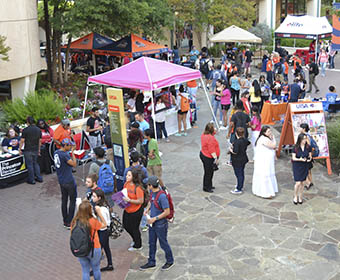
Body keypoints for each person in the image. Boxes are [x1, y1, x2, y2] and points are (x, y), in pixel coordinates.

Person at [140, 176, 174, 271]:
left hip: (160, 224)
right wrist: (147, 209)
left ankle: (170, 261)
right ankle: (151, 261)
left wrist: (155, 218)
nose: (147, 186)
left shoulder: (162, 196)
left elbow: (166, 212)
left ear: (151, 186)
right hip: (153, 223)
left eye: (148, 185)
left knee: (163, 243)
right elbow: (152, 201)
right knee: (151, 243)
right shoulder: (152, 192)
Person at [71, 200, 107, 280]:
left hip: (81, 248)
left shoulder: (74, 222)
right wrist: (99, 214)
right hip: (94, 248)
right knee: (96, 268)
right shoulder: (92, 221)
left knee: (85, 270)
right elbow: (105, 225)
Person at [54, 138, 77, 228]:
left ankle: (65, 220)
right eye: (69, 145)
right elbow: (74, 164)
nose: (71, 147)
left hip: (61, 180)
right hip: (69, 181)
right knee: (72, 200)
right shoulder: (65, 155)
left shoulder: (56, 153)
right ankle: (69, 221)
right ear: (65, 146)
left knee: (64, 200)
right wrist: (73, 153)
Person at [252, 126, 278, 198]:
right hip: (264, 161)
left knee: (268, 174)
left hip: (267, 160)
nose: (270, 133)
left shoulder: (265, 138)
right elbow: (273, 145)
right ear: (264, 132)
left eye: (270, 131)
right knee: (265, 175)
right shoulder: (263, 139)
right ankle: (265, 192)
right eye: (268, 132)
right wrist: (273, 139)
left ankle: (270, 190)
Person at [122, 169, 145, 251]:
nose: (126, 176)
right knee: (126, 225)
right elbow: (124, 193)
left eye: (129, 175)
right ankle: (135, 239)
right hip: (127, 209)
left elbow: (140, 201)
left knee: (135, 228)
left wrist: (130, 200)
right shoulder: (126, 184)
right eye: (127, 175)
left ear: (133, 177)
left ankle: (138, 244)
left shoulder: (138, 188)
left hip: (136, 211)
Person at [92, 188, 114, 272]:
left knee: (98, 250)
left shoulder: (100, 209)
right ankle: (110, 264)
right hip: (104, 231)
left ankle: (95, 269)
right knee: (106, 247)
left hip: (103, 231)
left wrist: (95, 226)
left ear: (99, 198)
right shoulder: (103, 205)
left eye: (94, 196)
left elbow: (104, 224)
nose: (92, 198)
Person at [19, 116, 43, 185]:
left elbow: (22, 141)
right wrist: (39, 150)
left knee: (29, 165)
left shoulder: (25, 130)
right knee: (35, 163)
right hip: (35, 149)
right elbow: (40, 141)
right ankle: (39, 178)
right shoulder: (38, 129)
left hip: (28, 150)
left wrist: (20, 149)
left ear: (28, 122)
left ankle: (32, 180)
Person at [291, 133, 312, 204]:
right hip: (297, 166)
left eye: (305, 138)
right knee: (298, 183)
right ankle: (295, 196)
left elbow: (310, 156)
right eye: (303, 139)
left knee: (302, 182)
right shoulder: (295, 147)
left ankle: (300, 196)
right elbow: (293, 158)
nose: (305, 140)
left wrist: (309, 159)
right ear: (300, 139)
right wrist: (300, 159)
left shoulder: (308, 147)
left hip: (305, 166)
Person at [229, 127, 251, 195]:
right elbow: (248, 143)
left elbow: (235, 152)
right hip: (243, 158)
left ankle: (239, 188)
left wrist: (230, 149)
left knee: (238, 174)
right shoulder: (245, 140)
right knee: (241, 172)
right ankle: (240, 184)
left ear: (236, 133)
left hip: (237, 160)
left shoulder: (237, 142)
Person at [199, 123, 220, 193]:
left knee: (209, 172)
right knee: (208, 172)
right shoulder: (210, 138)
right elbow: (211, 150)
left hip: (204, 154)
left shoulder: (204, 135)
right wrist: (216, 158)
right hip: (208, 157)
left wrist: (214, 131)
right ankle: (206, 187)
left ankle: (209, 185)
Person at [300, 124, 315, 190]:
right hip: (309, 155)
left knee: (305, 170)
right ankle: (310, 182)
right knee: (309, 170)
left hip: (306, 155)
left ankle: (308, 183)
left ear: (303, 129)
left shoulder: (305, 136)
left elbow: (308, 146)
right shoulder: (308, 135)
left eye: (300, 128)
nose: (299, 129)